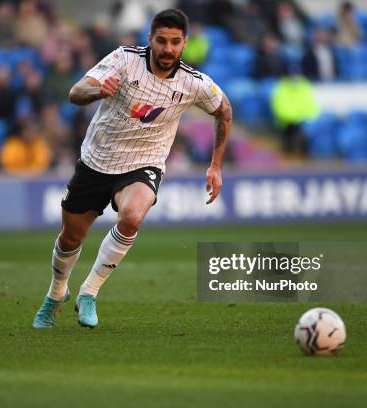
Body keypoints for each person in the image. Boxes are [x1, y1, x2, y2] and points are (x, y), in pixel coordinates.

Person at [32, 9, 232, 329]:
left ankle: (89, 292)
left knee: (132, 216)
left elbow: (224, 111)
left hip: (144, 163)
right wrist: (99, 90)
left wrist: (216, 165)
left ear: (184, 44)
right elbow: (75, 92)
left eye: (176, 42)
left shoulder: (194, 83)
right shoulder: (124, 59)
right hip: (97, 161)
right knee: (71, 237)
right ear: (150, 39)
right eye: (162, 41)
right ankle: (56, 294)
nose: (168, 49)